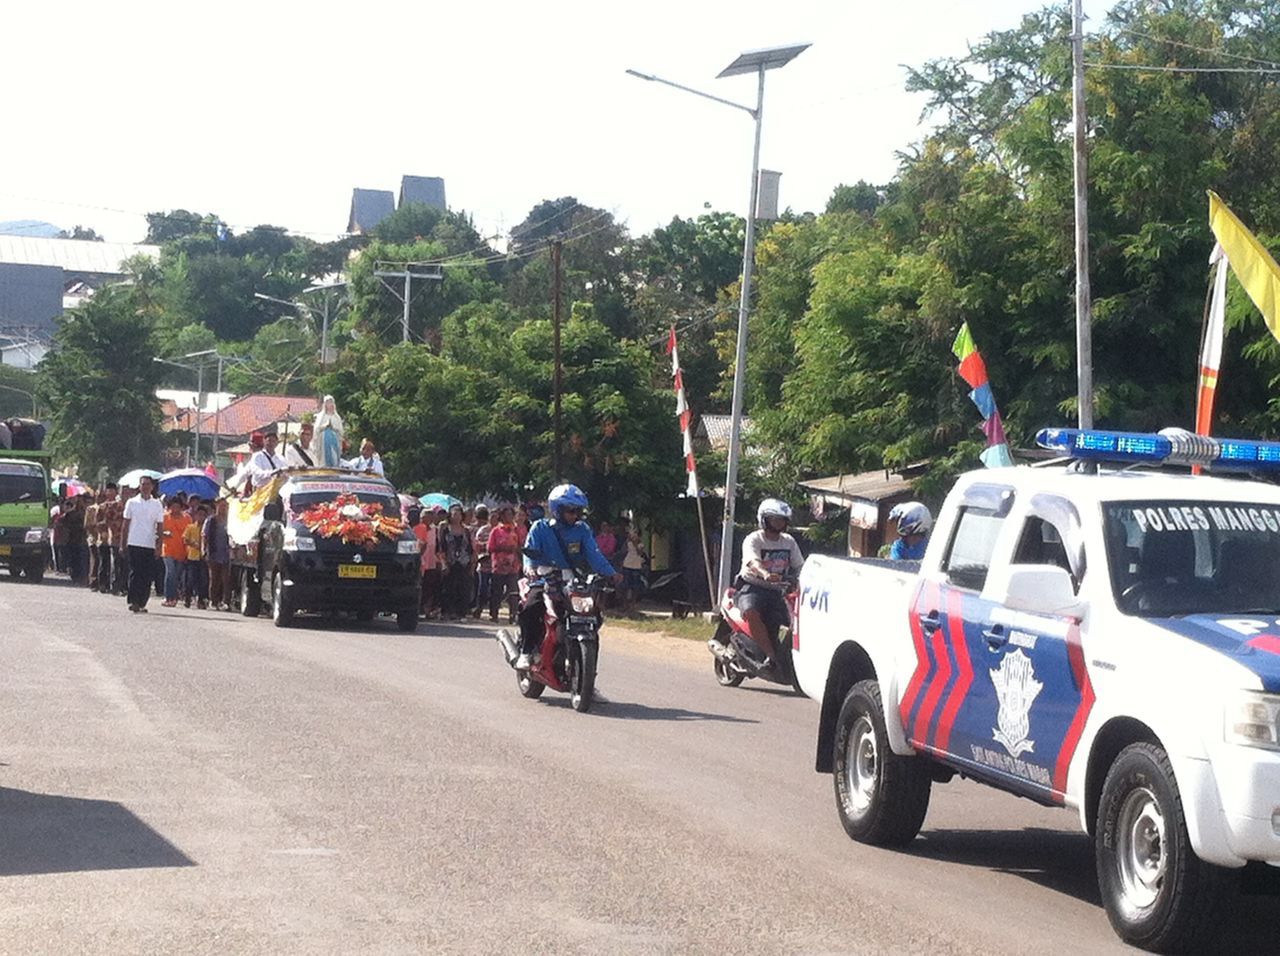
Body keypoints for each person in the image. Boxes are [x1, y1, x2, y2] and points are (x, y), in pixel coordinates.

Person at [515, 484, 621, 670]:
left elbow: (594, 555)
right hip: (543, 578)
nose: (575, 515)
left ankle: (588, 677)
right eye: (571, 511)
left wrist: (611, 573)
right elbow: (529, 553)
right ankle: (527, 650)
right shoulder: (540, 527)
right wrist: (530, 568)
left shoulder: (582, 530)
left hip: (571, 581)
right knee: (532, 606)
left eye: (578, 511)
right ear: (557, 509)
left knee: (592, 616)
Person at [731, 498, 804, 668]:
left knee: (795, 619)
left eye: (781, 520)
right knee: (751, 611)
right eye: (774, 519)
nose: (778, 524)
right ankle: (771, 656)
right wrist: (765, 574)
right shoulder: (754, 539)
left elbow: (800, 565)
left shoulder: (789, 541)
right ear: (764, 519)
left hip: (779, 589)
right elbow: (752, 562)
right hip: (752, 586)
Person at [121, 476, 164, 613]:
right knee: (135, 573)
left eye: (148, 484)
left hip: (149, 543)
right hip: (134, 542)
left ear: (152, 486)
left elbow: (160, 526)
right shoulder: (132, 503)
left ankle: (142, 602)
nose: (145, 487)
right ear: (139, 486)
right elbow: (125, 524)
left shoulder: (157, 504)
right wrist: (123, 544)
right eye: (143, 484)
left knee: (147, 575)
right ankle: (133, 601)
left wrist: (159, 546)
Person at [438, 504, 475, 620]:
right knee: (448, 588)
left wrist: (472, 564)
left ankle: (461, 613)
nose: (456, 516)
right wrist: (443, 563)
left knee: (463, 588)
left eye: (459, 514)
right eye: (454, 514)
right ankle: (447, 612)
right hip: (450, 562)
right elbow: (441, 547)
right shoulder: (445, 530)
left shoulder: (466, 531)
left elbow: (471, 548)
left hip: (463, 562)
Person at [486, 505, 522, 623]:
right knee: (497, 590)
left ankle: (513, 614)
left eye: (511, 515)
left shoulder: (516, 530)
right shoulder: (496, 531)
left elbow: (521, 545)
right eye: (507, 515)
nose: (509, 517)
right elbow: (490, 547)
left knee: (513, 591)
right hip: (499, 565)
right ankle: (494, 613)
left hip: (513, 565)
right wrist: (503, 548)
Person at [204, 498, 232, 610]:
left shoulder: (230, 521)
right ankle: (213, 601)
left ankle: (226, 602)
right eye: (221, 506)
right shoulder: (211, 520)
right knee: (214, 578)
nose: (223, 508)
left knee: (226, 579)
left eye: (225, 506)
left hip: (227, 553)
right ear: (216, 506)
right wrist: (204, 549)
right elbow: (204, 535)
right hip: (214, 552)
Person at [619, 523, 649, 614]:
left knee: (635, 586)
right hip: (627, 564)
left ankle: (633, 604)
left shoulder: (640, 543)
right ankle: (625, 604)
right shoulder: (628, 542)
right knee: (625, 585)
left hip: (636, 565)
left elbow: (639, 553)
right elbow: (623, 551)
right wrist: (628, 540)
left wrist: (635, 543)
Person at [184, 503, 209, 609]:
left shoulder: (207, 528)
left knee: (203, 580)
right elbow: (185, 539)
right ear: (195, 515)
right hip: (192, 557)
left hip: (203, 558)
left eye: (203, 515)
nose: (201, 517)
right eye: (199, 514)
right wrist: (193, 544)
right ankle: (187, 598)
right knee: (190, 579)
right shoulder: (190, 527)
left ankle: (201, 600)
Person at [471, 505, 494, 619]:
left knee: (495, 588)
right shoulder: (483, 530)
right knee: (482, 587)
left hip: (498, 565)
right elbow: (477, 545)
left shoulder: (503, 530)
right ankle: (478, 608)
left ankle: (493, 611)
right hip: (484, 563)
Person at [62, 496, 88, 584]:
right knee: (73, 558)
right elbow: (64, 524)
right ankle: (75, 576)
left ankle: (81, 576)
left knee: (80, 559)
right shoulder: (70, 514)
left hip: (81, 539)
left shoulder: (85, 513)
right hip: (72, 539)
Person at [313, 395, 344, 467]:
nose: (331, 404)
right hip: (323, 442)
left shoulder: (337, 417)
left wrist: (334, 427)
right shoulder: (321, 417)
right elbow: (316, 430)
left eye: (332, 402)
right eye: (328, 402)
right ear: (325, 405)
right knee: (324, 460)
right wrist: (325, 426)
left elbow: (341, 431)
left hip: (334, 441)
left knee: (334, 458)